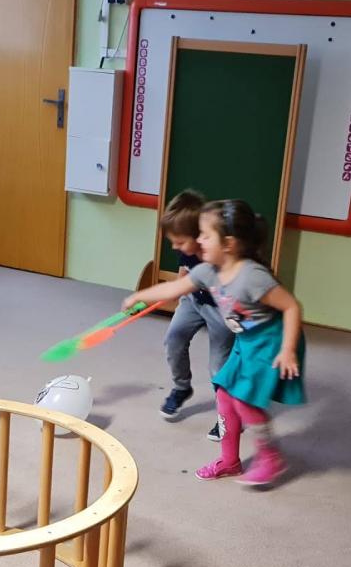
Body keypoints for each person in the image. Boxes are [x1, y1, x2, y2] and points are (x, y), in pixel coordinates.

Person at [123, 199, 305, 487]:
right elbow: (174, 288)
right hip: (246, 339)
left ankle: (270, 458)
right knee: (224, 395)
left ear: (229, 243)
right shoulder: (208, 270)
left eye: (206, 236)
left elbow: (291, 306)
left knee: (243, 399)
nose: (199, 240)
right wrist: (138, 296)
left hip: (270, 341)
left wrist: (287, 350)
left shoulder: (252, 277)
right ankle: (229, 461)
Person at [156, 190, 235, 441]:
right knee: (173, 339)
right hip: (192, 300)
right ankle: (182, 387)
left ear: (198, 236)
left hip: (220, 309)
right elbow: (184, 270)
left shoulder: (217, 256)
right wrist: (176, 291)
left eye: (179, 242)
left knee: (218, 366)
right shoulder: (186, 248)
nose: (175, 246)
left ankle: (227, 415)